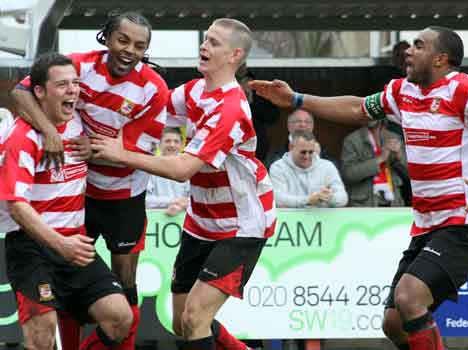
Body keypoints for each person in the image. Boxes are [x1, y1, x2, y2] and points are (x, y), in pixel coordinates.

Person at [249, 26, 468, 350]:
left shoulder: (465, 90)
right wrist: (295, 99)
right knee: (394, 324)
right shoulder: (401, 91)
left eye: (419, 46)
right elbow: (357, 108)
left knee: (409, 297)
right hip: (427, 225)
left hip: (467, 221)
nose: (408, 50)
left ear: (440, 58)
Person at [92, 18, 276, 350]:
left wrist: (121, 155)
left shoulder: (231, 107)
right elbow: (150, 108)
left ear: (235, 56)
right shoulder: (192, 91)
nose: (204, 47)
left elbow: (182, 169)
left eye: (214, 43)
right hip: (201, 221)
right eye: (205, 39)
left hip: (241, 226)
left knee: (195, 319)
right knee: (181, 322)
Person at [11, 12, 169, 350]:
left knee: (125, 283)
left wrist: (95, 151)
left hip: (124, 194)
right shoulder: (77, 68)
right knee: (69, 287)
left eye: (140, 45)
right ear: (107, 38)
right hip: (80, 196)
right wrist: (51, 131)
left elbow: (137, 148)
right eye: (123, 40)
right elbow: (22, 93)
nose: (129, 50)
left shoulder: (153, 89)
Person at [0, 52, 133, 350]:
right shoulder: (21, 137)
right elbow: (17, 207)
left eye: (75, 83)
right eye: (62, 85)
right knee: (42, 335)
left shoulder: (79, 123)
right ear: (39, 92)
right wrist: (61, 245)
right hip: (32, 247)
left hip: (76, 242)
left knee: (120, 318)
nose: (73, 90)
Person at [270, 130, 348, 208]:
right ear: (291, 147)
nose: (307, 156)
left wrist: (328, 197)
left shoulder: (327, 166)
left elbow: (343, 199)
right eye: (303, 152)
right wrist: (308, 200)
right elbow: (278, 199)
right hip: (291, 218)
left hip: (322, 217)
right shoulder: (278, 167)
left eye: (311, 152)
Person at [341, 120, 408, 207]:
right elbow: (348, 174)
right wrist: (380, 159)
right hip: (365, 205)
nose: (371, 116)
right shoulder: (352, 140)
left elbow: (412, 176)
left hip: (394, 203)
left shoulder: (394, 137)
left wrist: (400, 156)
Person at [264, 109, 337, 169]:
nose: (303, 125)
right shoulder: (276, 154)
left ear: (312, 127)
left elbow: (334, 172)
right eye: (298, 121)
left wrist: (317, 159)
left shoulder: (322, 152)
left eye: (307, 122)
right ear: (289, 126)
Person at [236, 63, 280, 162]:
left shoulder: (259, 88)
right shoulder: (224, 86)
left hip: (257, 143)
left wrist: (251, 99)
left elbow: (273, 117)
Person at [146, 127, 189, 216]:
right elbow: (145, 200)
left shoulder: (189, 167)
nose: (172, 145)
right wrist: (173, 202)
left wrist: (182, 205)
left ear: (181, 145)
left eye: (176, 141)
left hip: (185, 218)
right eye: (168, 141)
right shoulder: (149, 166)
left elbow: (194, 198)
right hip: (154, 220)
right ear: (159, 144)